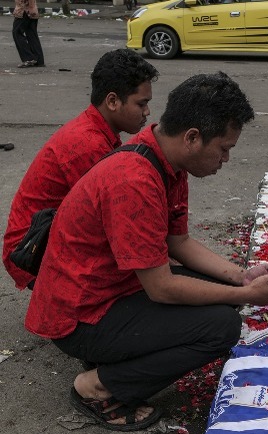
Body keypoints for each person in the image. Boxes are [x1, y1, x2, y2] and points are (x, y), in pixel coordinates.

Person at [24, 71, 268, 432]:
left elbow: (177, 243)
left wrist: (241, 277)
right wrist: (246, 294)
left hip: (112, 290)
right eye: (224, 149)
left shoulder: (166, 161)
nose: (225, 159)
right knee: (222, 327)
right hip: (79, 315)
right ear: (192, 138)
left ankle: (111, 358)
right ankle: (98, 386)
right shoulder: (134, 179)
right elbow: (161, 288)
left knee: (223, 297)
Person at [3, 49, 158, 291]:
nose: (147, 112)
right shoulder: (87, 145)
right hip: (30, 249)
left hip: (43, 235)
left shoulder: (98, 130)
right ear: (113, 101)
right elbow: (114, 219)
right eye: (142, 103)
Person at [12, 0, 44, 68]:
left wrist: (31, 7)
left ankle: (28, 58)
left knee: (17, 33)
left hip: (24, 11)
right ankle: (38, 60)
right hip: (30, 11)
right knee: (32, 35)